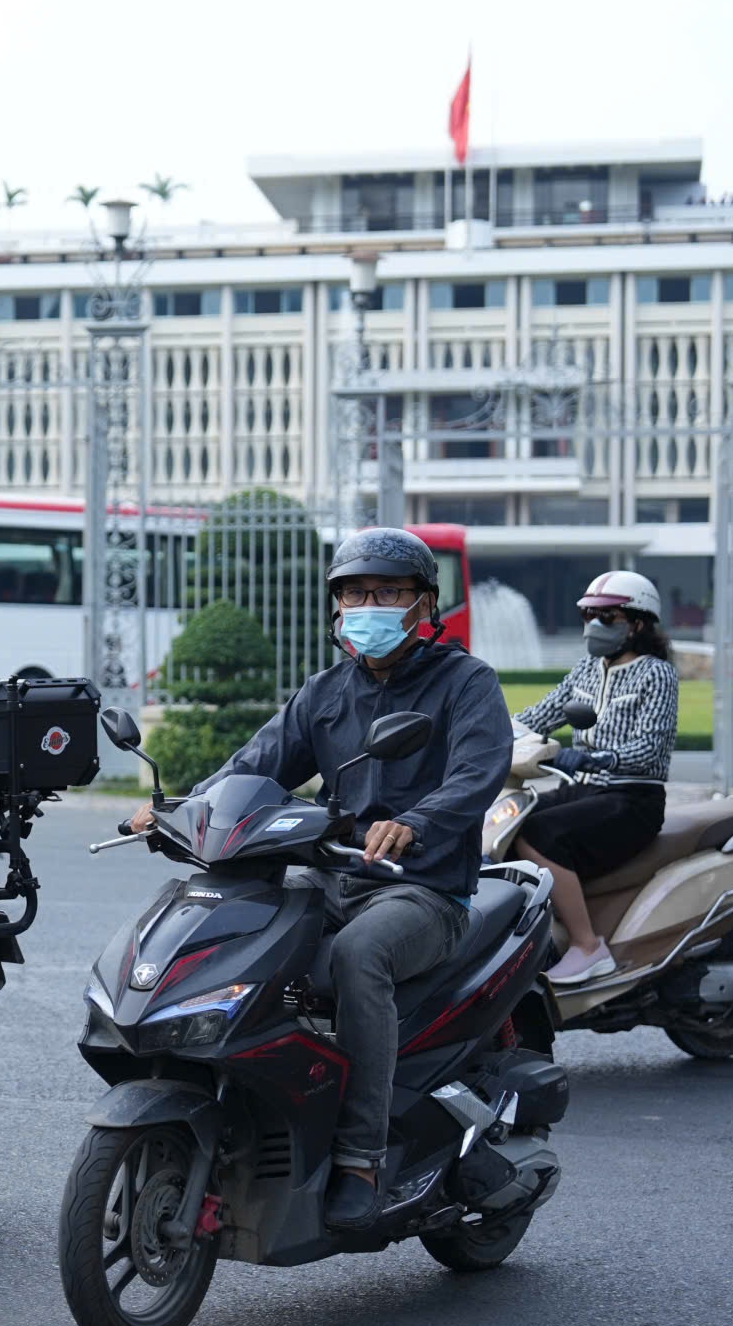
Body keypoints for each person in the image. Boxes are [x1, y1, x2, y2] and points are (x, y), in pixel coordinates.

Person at [132, 527, 506, 1231]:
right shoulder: (325, 692)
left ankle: (361, 1154)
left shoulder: (466, 683)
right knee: (242, 935)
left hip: (422, 889)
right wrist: (178, 811)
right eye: (356, 593)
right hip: (330, 877)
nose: (370, 605)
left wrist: (418, 821)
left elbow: (476, 774)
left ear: (424, 603)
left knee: (358, 955)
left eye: (388, 593)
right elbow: (255, 764)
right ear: (335, 608)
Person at [512, 572, 680, 984]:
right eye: (590, 615)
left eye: (608, 617)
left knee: (540, 834)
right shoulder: (588, 668)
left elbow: (652, 747)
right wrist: (489, 734)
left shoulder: (656, 675)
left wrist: (598, 759)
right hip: (584, 791)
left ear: (637, 623)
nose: (594, 626)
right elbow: (540, 715)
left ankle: (587, 946)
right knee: (509, 819)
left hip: (632, 800)